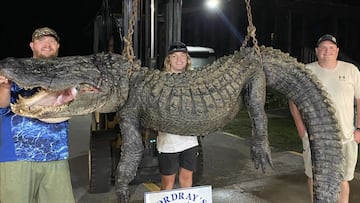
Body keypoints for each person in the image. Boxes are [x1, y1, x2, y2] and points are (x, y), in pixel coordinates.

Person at [0, 27, 75, 203]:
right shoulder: (16, 70)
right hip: (17, 157)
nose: (47, 45)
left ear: (57, 46)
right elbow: (2, 107)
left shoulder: (67, 74)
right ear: (32, 45)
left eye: (51, 41)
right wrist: (4, 87)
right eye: (41, 41)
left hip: (56, 155)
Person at [289, 34, 360, 203]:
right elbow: (293, 100)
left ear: (337, 51)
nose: (326, 51)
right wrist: (301, 127)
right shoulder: (306, 71)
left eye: (331, 48)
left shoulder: (350, 70)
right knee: (315, 178)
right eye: (322, 48)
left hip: (345, 137)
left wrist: (359, 128)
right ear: (316, 51)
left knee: (342, 179)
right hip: (314, 138)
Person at [157, 41, 199, 190]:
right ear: (169, 60)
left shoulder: (193, 80)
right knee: (167, 183)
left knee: (186, 179)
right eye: (174, 56)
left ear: (187, 59)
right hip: (168, 142)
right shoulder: (160, 81)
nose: (179, 59)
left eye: (182, 56)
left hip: (189, 140)